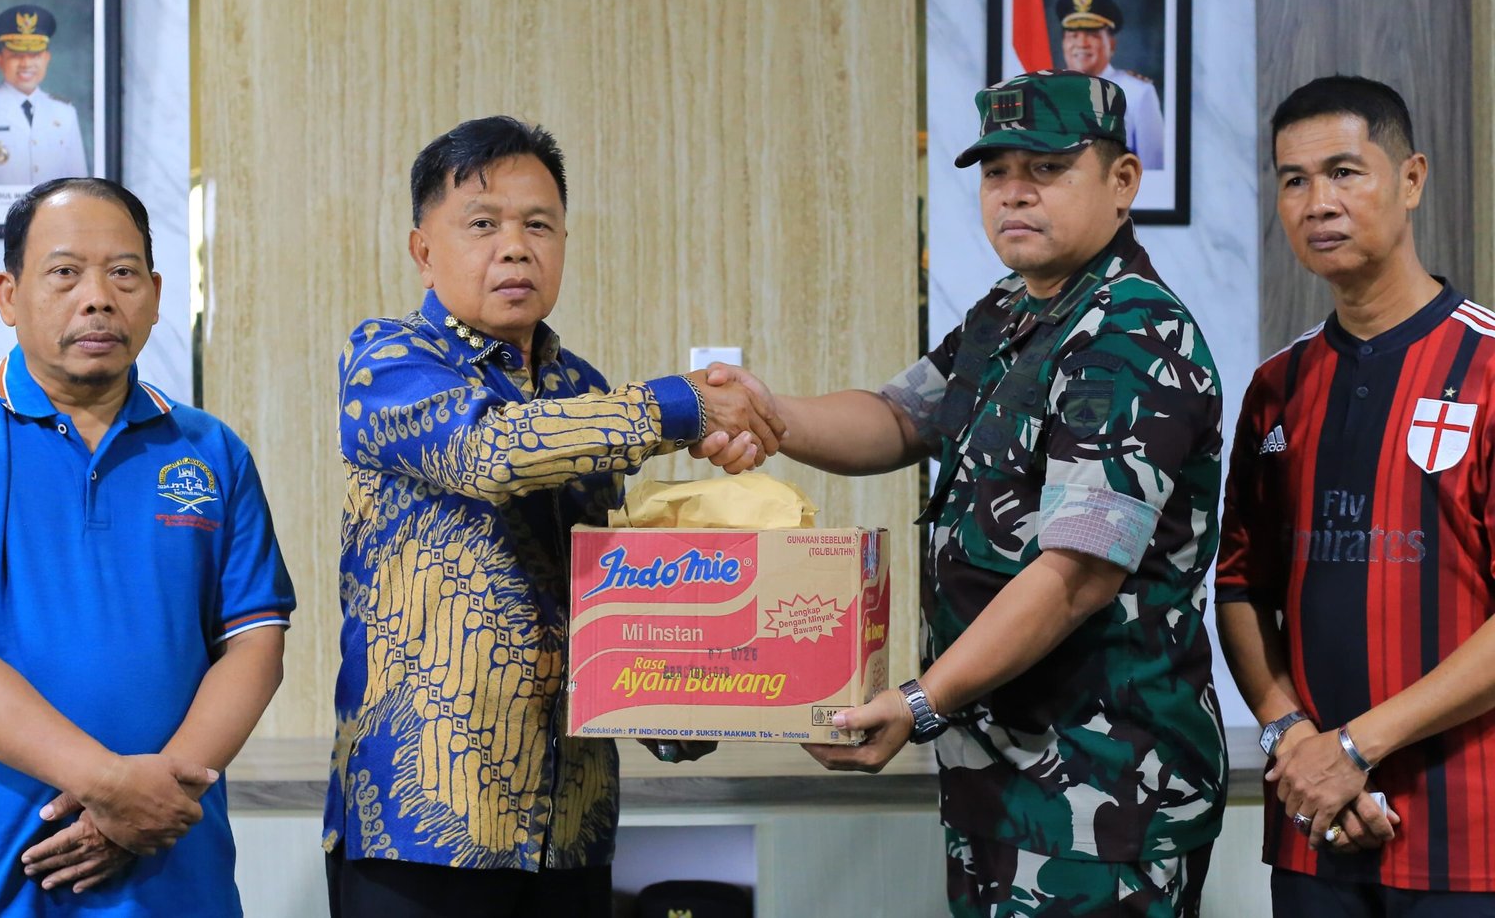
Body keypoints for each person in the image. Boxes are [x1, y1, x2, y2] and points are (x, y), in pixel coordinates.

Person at [695, 70, 1227, 916]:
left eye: (1046, 169)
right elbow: (897, 418)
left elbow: (1078, 576)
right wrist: (769, 414)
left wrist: (919, 701)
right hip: (999, 776)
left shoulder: (1131, 334)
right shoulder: (1009, 313)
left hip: (1104, 791)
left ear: (1123, 180)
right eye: (996, 172)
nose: (1014, 192)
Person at [322, 115, 783, 918]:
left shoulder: (585, 391)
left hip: (573, 825)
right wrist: (682, 406)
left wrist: (675, 697)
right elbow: (492, 452)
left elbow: (607, 585)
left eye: (538, 225)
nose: (515, 247)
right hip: (421, 825)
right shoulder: (388, 360)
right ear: (423, 251)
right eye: (483, 224)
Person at [0, 177, 294, 916]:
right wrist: (111, 787)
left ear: (156, 294)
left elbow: (255, 646)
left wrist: (151, 803)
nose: (98, 298)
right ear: (9, 296)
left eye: (123, 273)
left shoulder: (212, 451)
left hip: (174, 872)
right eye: (64, 272)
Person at [1217, 75, 1495, 914]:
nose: (1318, 203)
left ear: (1410, 179)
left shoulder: (1486, 368)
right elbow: (1240, 588)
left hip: (1470, 841)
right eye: (1294, 180)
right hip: (1315, 831)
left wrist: (1355, 748)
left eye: (1344, 172)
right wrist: (1293, 738)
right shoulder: (1276, 388)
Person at [0, 4, 89, 186]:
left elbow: (79, 189)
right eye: (16, 55)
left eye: (35, 55)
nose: (26, 64)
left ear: (47, 58)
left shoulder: (65, 113)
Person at [1056, 0, 1165, 171]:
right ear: (1063, 44)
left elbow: (1153, 170)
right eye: (1073, 35)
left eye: (1092, 35)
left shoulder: (1138, 93)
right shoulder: (1049, 92)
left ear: (1112, 44)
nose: (1081, 43)